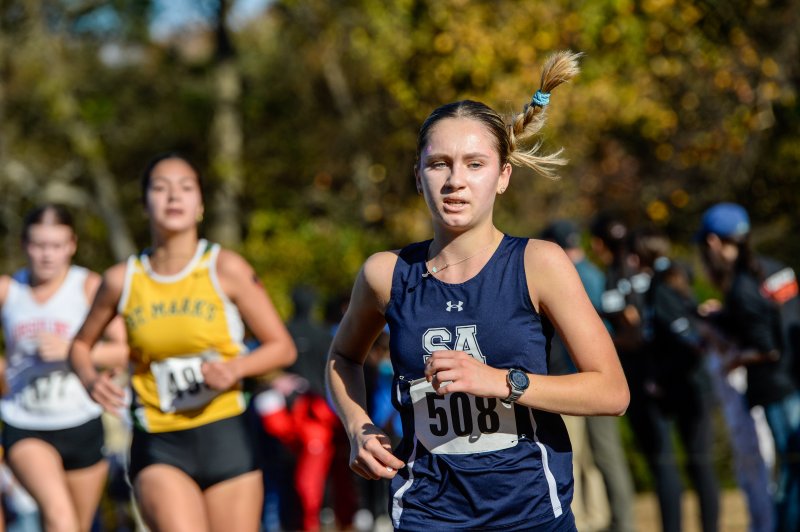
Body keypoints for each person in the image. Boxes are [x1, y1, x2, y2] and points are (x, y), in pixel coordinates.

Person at [326, 51, 629, 531]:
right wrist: (357, 427)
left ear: (503, 175)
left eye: (475, 163)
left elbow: (612, 391)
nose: (455, 181)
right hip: (427, 512)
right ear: (417, 176)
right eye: (439, 164)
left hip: (530, 513)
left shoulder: (538, 264)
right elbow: (342, 357)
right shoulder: (387, 274)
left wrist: (503, 382)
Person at [68, 153, 297, 532]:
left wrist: (234, 368)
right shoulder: (121, 280)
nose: (174, 196)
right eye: (160, 188)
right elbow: (79, 346)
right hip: (160, 441)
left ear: (201, 204)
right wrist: (91, 381)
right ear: (144, 204)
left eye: (186, 187)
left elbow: (282, 347)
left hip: (227, 435)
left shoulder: (226, 268)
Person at [0, 204, 128, 532]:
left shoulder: (88, 286)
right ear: (24, 245)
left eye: (56, 246)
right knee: (60, 517)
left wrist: (74, 351)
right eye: (39, 245)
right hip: (25, 421)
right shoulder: (9, 290)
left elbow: (125, 349)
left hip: (80, 421)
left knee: (75, 526)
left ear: (72, 245)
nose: (47, 255)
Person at [696, 202, 800, 532]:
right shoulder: (775, 269)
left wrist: (735, 359)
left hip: (776, 388)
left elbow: (766, 348)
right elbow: (775, 321)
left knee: (791, 470)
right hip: (794, 378)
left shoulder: (742, 286)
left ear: (713, 242)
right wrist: (722, 318)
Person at [541, 220, 635, 532]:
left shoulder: (566, 276)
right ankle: (603, 519)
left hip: (579, 379)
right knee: (598, 459)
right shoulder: (594, 273)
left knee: (581, 457)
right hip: (595, 376)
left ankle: (592, 522)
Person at [632, 228, 719, 532]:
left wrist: (659, 376)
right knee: (697, 464)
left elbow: (683, 336)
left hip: (688, 386)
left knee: (699, 463)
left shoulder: (662, 284)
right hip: (684, 385)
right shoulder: (668, 277)